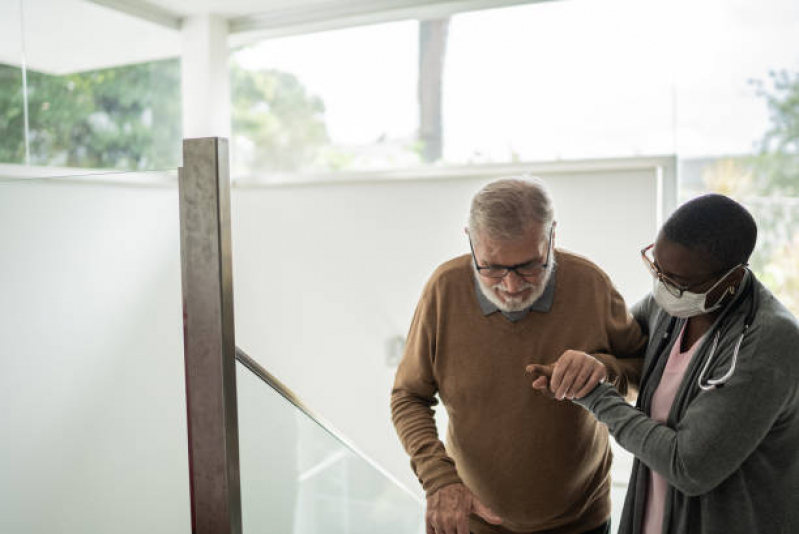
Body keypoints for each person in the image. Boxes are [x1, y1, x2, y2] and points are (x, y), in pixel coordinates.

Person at [528, 194, 799, 534]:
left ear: (731, 279)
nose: (663, 287)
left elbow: (689, 466)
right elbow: (621, 350)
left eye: (678, 282)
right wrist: (583, 368)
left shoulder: (771, 341)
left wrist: (595, 397)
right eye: (657, 268)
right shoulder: (672, 308)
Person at [391, 177, 647, 534]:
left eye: (529, 266)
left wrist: (602, 370)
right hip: (471, 523)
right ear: (470, 240)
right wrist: (439, 478)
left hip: (581, 522)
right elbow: (408, 396)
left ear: (552, 237)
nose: (511, 286)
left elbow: (644, 378)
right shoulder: (443, 289)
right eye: (492, 268)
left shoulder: (591, 285)